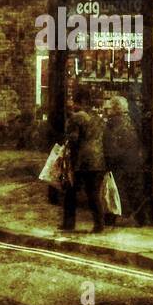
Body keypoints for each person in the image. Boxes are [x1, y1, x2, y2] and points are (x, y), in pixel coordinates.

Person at [61, 92, 106, 233]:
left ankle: (69, 224)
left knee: (70, 191)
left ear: (78, 102)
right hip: (99, 159)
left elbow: (73, 139)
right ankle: (99, 225)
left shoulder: (77, 117)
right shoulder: (97, 117)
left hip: (82, 160)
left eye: (73, 100)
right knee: (93, 193)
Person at [102, 94, 146, 226]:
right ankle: (142, 218)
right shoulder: (132, 121)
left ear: (115, 109)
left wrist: (108, 161)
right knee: (134, 191)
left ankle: (110, 218)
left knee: (114, 191)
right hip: (133, 161)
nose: (108, 110)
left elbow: (109, 145)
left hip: (118, 163)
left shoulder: (111, 123)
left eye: (110, 108)